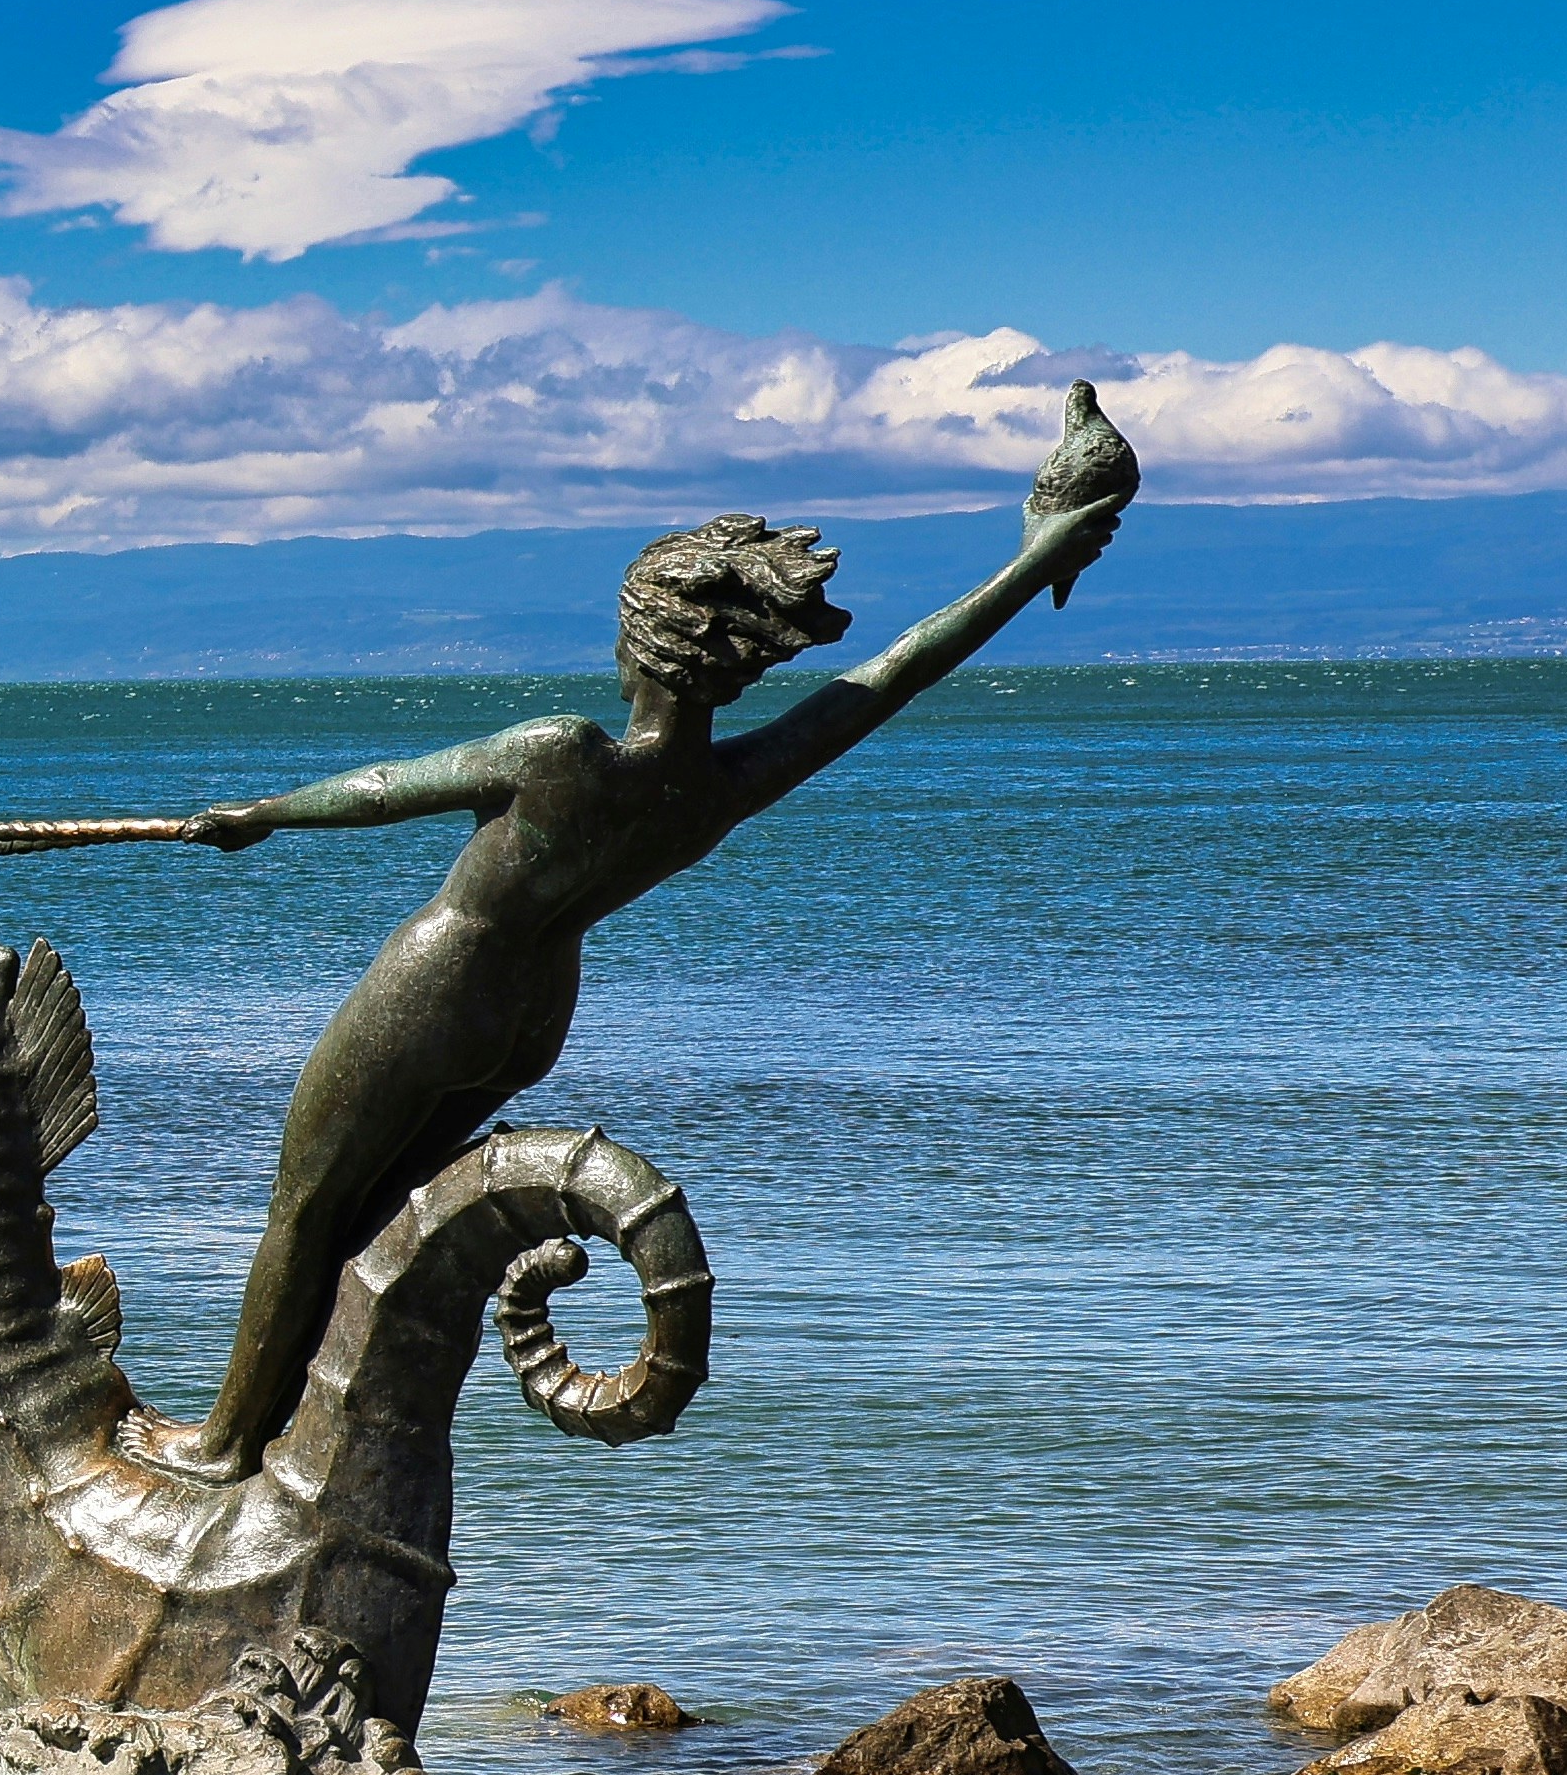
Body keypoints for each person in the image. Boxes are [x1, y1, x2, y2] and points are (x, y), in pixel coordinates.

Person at [121, 462, 1127, 1481]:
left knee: (303, 1208)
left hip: (439, 988)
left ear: (639, 641)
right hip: (532, 1016)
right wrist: (1036, 556)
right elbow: (896, 671)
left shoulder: (563, 751)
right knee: (369, 1206)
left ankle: (226, 1441)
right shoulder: (719, 785)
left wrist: (260, 814)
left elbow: (386, 789)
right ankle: (304, 1426)